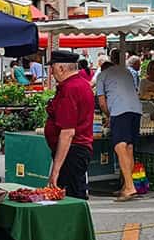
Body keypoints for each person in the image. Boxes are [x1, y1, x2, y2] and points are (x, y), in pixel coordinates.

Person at [94, 49, 143, 201]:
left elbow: (102, 102)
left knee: (120, 146)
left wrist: (108, 115)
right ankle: (127, 185)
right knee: (129, 147)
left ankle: (129, 187)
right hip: (136, 110)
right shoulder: (126, 72)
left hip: (120, 111)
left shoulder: (102, 76)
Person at [45, 51, 95, 200]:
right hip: (77, 151)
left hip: (72, 152)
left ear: (61, 68)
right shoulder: (82, 84)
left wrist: (55, 171)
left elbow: (68, 132)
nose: (51, 72)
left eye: (52, 67)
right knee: (74, 195)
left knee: (69, 199)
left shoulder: (70, 89)